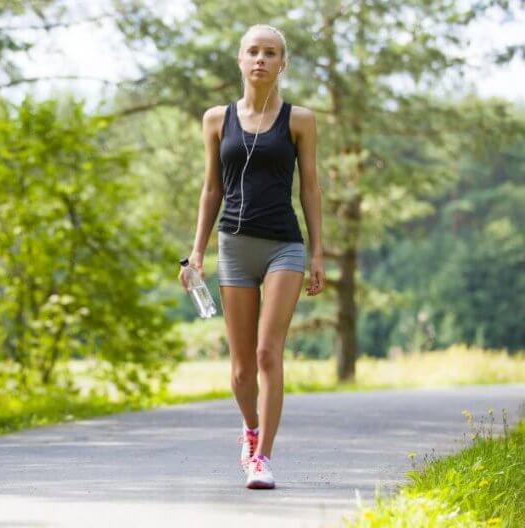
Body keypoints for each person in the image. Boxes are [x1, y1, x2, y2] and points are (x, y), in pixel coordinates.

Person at [178, 24, 325, 490]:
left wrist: (317, 252)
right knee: (242, 369)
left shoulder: (300, 120)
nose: (261, 59)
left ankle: (262, 459)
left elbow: (310, 189)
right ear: (240, 60)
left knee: (267, 353)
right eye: (253, 51)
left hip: (284, 245)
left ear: (283, 64)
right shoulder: (216, 119)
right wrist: (196, 252)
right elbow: (211, 190)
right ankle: (251, 427)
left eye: (271, 53)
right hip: (235, 247)